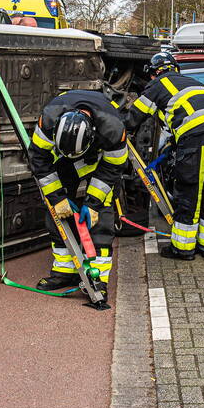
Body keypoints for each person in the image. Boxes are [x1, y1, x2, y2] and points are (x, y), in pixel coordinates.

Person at [125, 51, 204, 260]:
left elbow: (134, 116)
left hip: (197, 132)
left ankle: (183, 249)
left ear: (153, 73)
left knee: (190, 189)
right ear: (175, 68)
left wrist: (117, 129)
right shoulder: (193, 82)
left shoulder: (157, 84)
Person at [28, 90, 128, 293]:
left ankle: (97, 280)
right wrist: (57, 198)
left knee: (101, 215)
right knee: (57, 213)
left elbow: (112, 168)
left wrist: (93, 204)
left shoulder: (113, 129)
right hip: (63, 159)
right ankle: (64, 271)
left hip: (100, 160)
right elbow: (38, 159)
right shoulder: (49, 119)